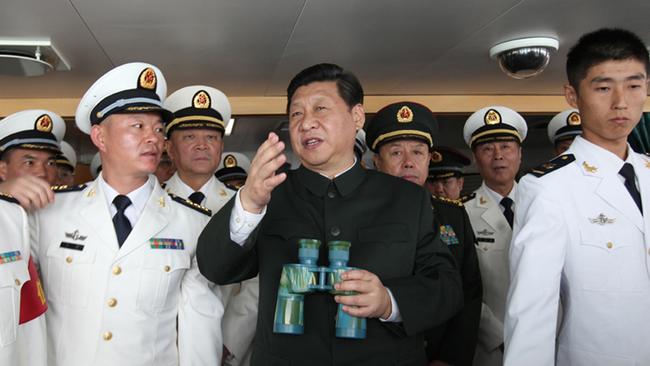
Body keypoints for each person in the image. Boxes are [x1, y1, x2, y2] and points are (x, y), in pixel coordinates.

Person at [197, 63, 462, 365]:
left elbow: (447, 285)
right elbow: (214, 268)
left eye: (320, 109)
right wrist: (248, 202)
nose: (306, 123)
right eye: (297, 114)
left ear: (357, 116)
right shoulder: (270, 196)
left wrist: (388, 301)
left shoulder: (406, 199)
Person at [32, 62, 224, 366]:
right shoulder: (49, 212)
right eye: (137, 126)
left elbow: (199, 326)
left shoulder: (192, 223)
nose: (153, 138)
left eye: (159, 129)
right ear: (100, 137)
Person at [504, 28, 650, 365]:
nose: (621, 102)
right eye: (603, 88)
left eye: (633, 85)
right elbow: (532, 310)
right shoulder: (549, 186)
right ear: (573, 95)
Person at [366, 101, 482, 366]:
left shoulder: (452, 214)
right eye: (396, 153)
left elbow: (469, 289)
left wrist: (450, 358)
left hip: (442, 352)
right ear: (376, 162)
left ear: (429, 160)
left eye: (418, 152)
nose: (409, 163)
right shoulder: (361, 216)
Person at [163, 85, 258, 366]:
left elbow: (256, 285)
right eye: (190, 136)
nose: (202, 145)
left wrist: (228, 342)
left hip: (228, 350)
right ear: (169, 147)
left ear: (221, 146)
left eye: (212, 137)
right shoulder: (150, 205)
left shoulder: (245, 206)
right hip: (158, 347)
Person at [461, 105, 527, 366]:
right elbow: (463, 287)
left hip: (551, 337)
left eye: (506, 147)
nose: (498, 156)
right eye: (488, 149)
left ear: (520, 155)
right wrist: (498, 337)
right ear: (476, 158)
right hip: (492, 348)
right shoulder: (462, 213)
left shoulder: (545, 205)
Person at [0, 109, 65, 366]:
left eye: (50, 163)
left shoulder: (63, 217)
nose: (42, 172)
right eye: (29, 162)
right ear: (2, 170)